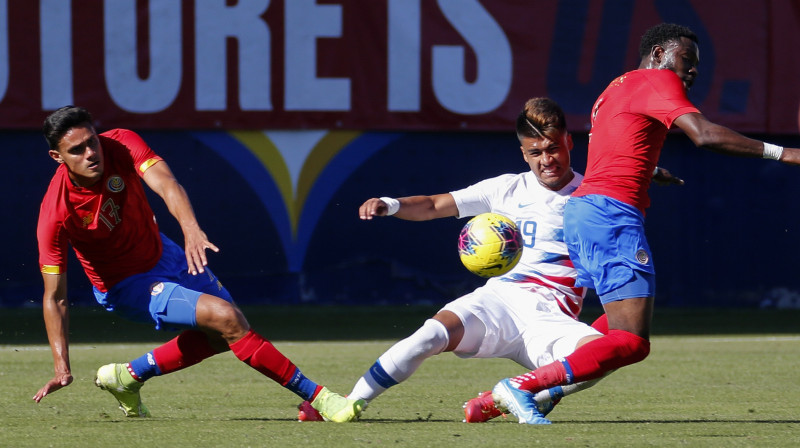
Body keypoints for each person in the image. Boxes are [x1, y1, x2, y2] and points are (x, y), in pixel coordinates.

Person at [296, 97, 680, 424]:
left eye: (553, 149)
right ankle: (350, 403)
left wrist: (649, 173)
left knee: (600, 358)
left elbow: (627, 171)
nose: (546, 160)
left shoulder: (593, 194)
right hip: (498, 301)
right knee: (429, 335)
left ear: (568, 141)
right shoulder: (506, 188)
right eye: (535, 152)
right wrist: (391, 205)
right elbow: (433, 205)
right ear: (523, 152)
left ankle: (494, 401)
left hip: (552, 316)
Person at [489, 23, 800, 423]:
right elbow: (704, 135)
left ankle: (494, 401)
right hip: (610, 215)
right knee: (632, 341)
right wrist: (787, 153)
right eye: (686, 60)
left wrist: (648, 168)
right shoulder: (658, 80)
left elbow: (613, 143)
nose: (691, 72)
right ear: (657, 54)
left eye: (696, 66)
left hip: (586, 212)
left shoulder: (614, 89)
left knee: (618, 328)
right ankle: (524, 386)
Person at [32, 106, 365, 422]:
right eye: (77, 150)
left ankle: (126, 376)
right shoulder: (56, 212)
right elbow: (55, 297)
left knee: (225, 335)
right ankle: (320, 398)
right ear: (56, 157)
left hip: (169, 254)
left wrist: (191, 230)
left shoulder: (119, 142)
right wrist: (62, 367)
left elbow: (166, 183)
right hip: (126, 286)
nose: (91, 153)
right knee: (227, 319)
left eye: (92, 141)